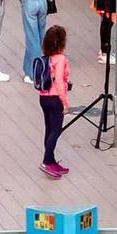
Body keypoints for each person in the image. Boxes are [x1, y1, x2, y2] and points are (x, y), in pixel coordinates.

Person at [37, 24, 71, 178]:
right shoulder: (61, 59)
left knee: (49, 129)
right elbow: (58, 80)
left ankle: (51, 160)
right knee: (56, 130)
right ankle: (46, 161)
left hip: (43, 97)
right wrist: (64, 102)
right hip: (55, 98)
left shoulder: (47, 58)